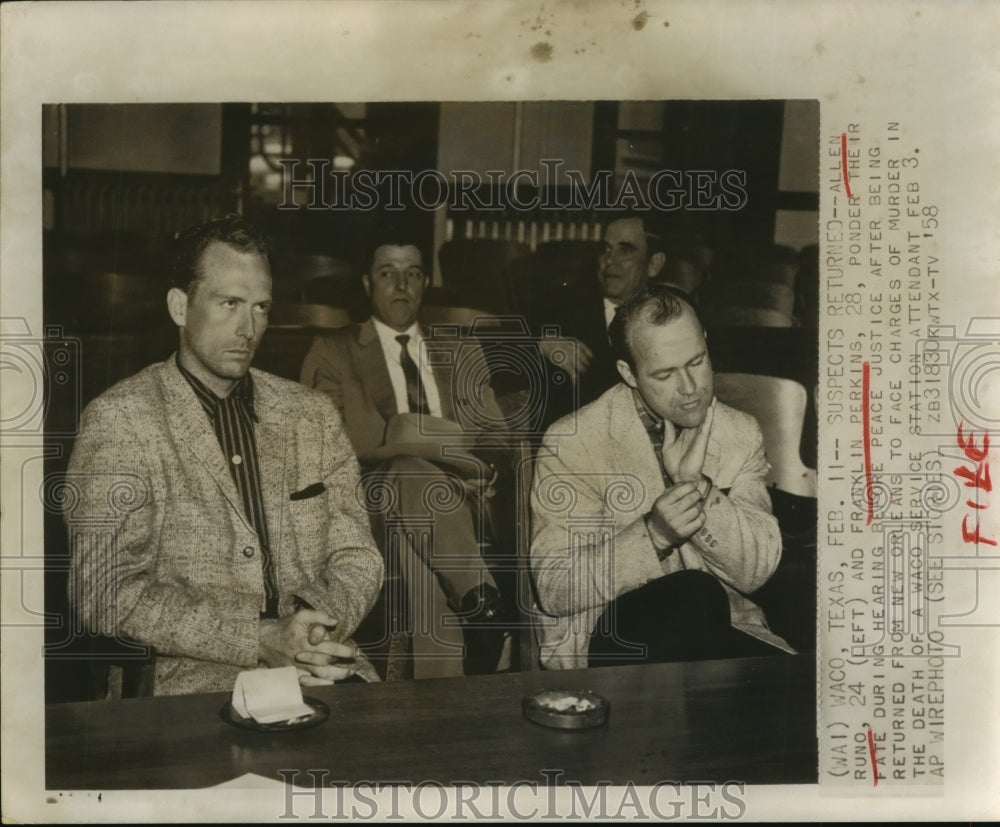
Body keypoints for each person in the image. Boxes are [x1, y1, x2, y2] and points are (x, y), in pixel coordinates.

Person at [64, 215, 384, 696]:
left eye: (260, 307)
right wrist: (254, 639)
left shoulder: (311, 415)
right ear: (179, 306)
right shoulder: (121, 420)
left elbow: (359, 557)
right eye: (229, 303)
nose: (248, 328)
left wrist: (308, 634)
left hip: (323, 669)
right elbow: (102, 591)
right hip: (192, 684)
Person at [530, 283, 793, 669]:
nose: (690, 389)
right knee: (692, 594)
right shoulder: (573, 442)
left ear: (705, 341)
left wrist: (697, 488)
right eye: (665, 374)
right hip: (612, 641)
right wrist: (654, 536)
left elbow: (755, 572)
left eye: (697, 361)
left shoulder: (739, 432)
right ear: (629, 373)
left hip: (719, 639)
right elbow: (554, 588)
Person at [300, 228, 512, 676]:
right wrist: (405, 448)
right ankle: (480, 602)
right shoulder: (334, 351)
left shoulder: (460, 347)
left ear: (425, 283)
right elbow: (322, 447)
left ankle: (475, 611)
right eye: (387, 273)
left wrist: (488, 466)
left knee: (418, 498)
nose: (401, 286)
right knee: (409, 468)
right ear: (366, 284)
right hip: (375, 494)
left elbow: (494, 432)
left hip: (465, 490)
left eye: (413, 274)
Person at [534, 215, 666, 418]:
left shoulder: (669, 319)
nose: (610, 260)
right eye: (605, 249)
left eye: (625, 250)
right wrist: (539, 344)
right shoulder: (561, 315)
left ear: (654, 264)